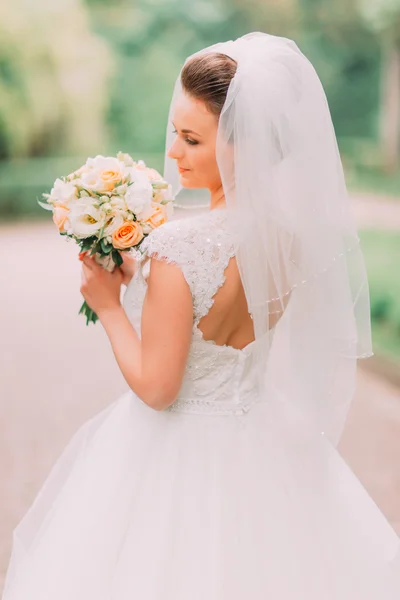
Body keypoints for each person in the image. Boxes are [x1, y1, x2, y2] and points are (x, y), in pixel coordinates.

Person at [2, 32, 400, 600]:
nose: (175, 152)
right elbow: (226, 312)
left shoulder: (177, 248)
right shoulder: (288, 243)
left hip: (173, 455)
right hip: (264, 440)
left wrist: (110, 306)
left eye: (192, 139)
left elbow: (160, 387)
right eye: (175, 133)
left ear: (244, 145)